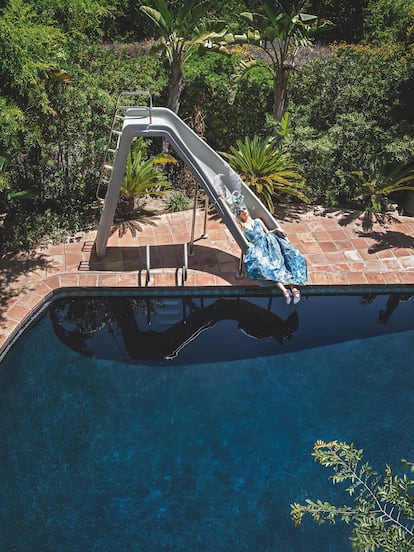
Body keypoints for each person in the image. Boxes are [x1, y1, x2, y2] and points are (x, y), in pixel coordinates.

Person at [235, 203, 307, 304]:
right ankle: (285, 292)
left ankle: (294, 289)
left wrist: (276, 230)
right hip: (259, 249)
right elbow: (235, 227)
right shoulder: (242, 226)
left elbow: (267, 232)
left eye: (244, 209)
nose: (244, 211)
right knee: (269, 268)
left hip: (270, 243)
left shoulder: (258, 221)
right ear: (239, 215)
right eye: (241, 211)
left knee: (283, 264)